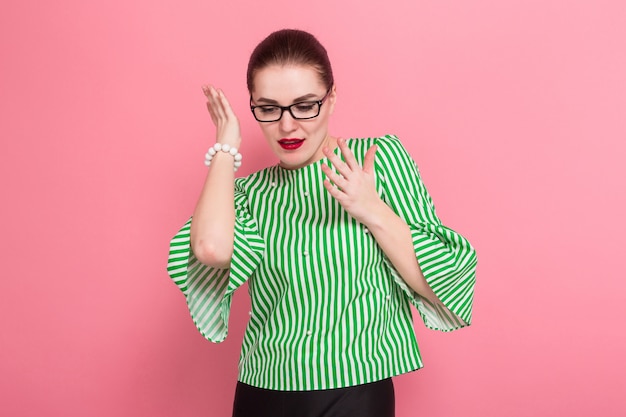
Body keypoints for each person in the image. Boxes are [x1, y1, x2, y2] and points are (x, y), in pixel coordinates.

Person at [167, 29, 477, 417]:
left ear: (331, 98)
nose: (287, 126)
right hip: (262, 390)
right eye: (268, 108)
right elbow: (210, 249)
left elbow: (443, 284)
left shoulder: (378, 160)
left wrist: (372, 208)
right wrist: (226, 146)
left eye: (304, 105)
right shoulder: (250, 194)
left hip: (355, 392)